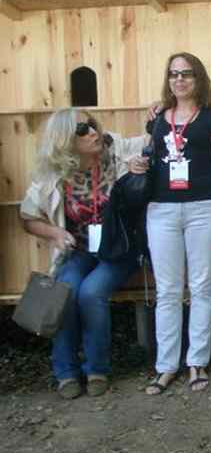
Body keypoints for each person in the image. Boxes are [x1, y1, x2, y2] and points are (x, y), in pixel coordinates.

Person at [20, 108, 149, 399]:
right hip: (77, 251)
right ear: (64, 140)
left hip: (117, 250)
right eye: (82, 130)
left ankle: (96, 369)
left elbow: (151, 139)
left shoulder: (114, 149)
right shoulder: (52, 174)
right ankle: (65, 372)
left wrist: (160, 108)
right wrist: (55, 233)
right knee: (66, 290)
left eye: (91, 125)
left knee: (91, 293)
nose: (92, 132)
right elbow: (27, 217)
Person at [145, 53, 211, 395]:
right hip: (162, 210)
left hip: (203, 208)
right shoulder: (155, 118)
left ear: (199, 79)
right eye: (173, 74)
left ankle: (197, 361)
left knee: (201, 286)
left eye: (186, 74)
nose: (179, 80)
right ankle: (165, 367)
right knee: (167, 290)